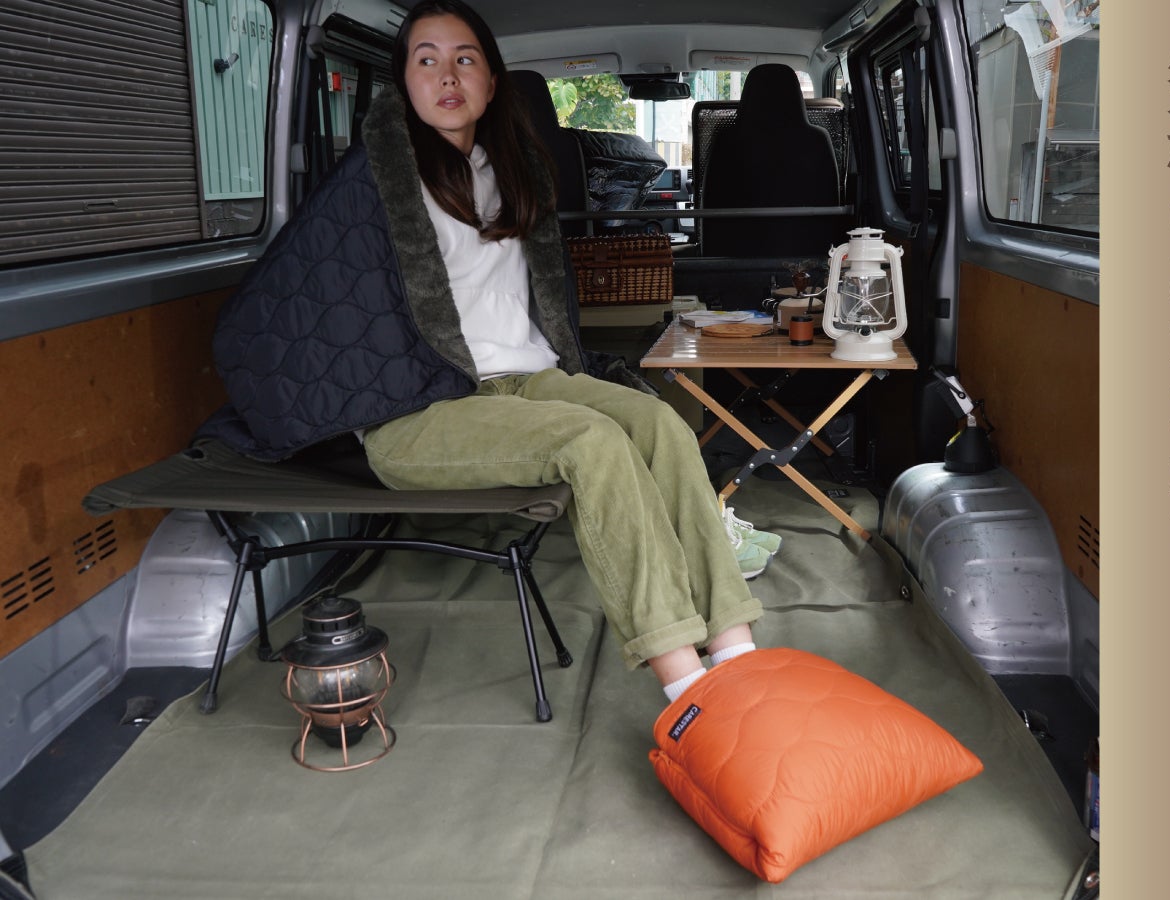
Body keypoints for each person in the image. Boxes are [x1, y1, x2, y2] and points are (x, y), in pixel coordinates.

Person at [203, 0, 772, 703]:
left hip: (526, 381)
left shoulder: (513, 170)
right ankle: (685, 686)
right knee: (593, 443)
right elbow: (285, 303)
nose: (447, 75)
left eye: (465, 59)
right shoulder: (372, 181)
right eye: (427, 60)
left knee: (660, 423)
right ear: (403, 81)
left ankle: (736, 650)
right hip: (421, 407)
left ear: (492, 81)